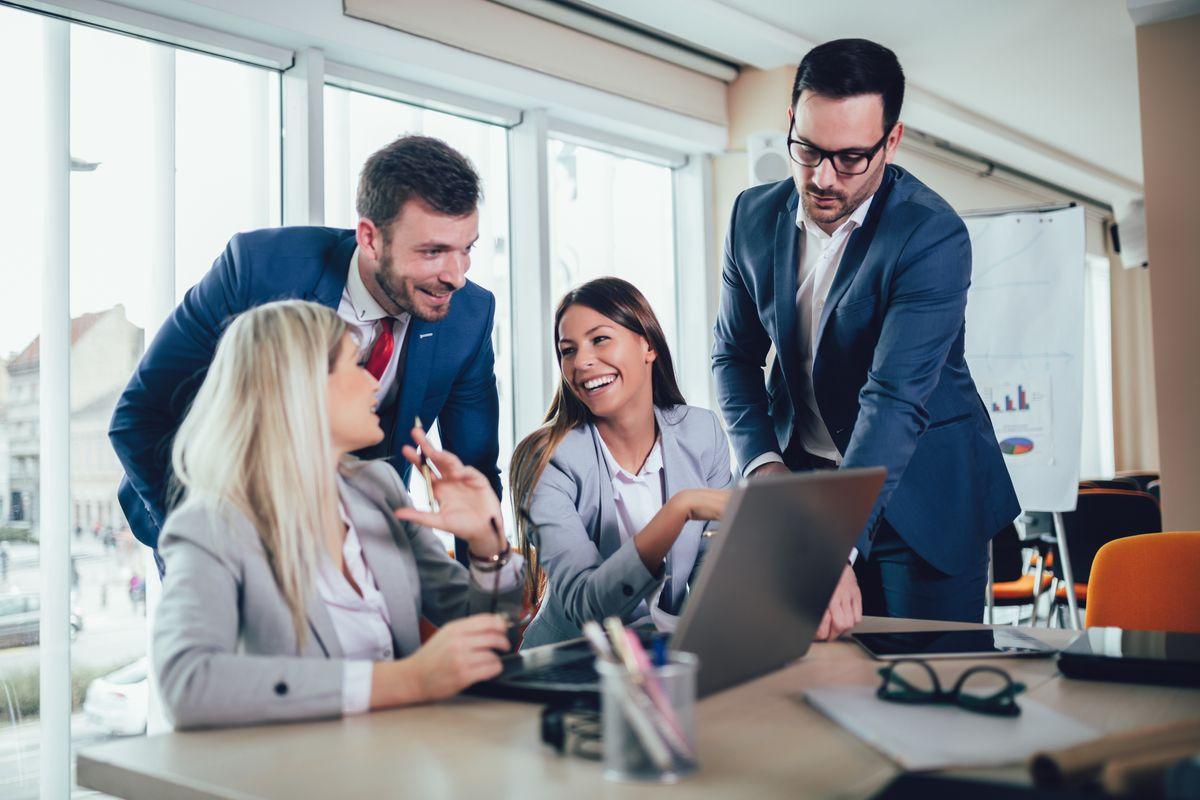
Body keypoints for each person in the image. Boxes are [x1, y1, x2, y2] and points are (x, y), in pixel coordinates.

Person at [712, 38, 1019, 626]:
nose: (824, 178)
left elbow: (894, 398)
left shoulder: (931, 236)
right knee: (809, 686)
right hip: (802, 489)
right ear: (790, 122)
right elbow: (733, 356)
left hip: (923, 497)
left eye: (851, 157)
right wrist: (765, 468)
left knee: (922, 695)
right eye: (807, 149)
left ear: (891, 141)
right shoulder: (750, 218)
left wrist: (835, 546)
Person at [110, 136, 501, 567]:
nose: (457, 276)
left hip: (362, 542)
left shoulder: (468, 316)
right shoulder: (259, 269)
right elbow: (141, 417)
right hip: (227, 532)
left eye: (467, 249)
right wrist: (206, 551)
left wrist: (482, 592)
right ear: (370, 239)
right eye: (433, 252)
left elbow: (473, 472)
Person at [153, 300, 522, 729]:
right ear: (301, 386)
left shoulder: (379, 490)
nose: (374, 382)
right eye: (355, 364)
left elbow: (494, 644)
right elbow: (188, 684)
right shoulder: (210, 526)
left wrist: (486, 545)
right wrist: (406, 681)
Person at [511, 278, 731, 649]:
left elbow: (717, 569)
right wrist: (678, 510)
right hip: (571, 667)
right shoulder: (545, 459)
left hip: (667, 661)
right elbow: (586, 606)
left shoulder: (702, 432)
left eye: (599, 339)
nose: (581, 362)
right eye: (568, 350)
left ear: (648, 345)